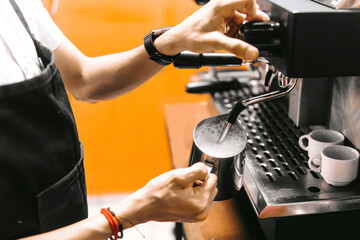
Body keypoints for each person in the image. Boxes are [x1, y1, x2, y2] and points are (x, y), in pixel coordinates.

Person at [0, 0, 269, 239]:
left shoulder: (16, 5)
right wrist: (128, 214)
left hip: (60, 211)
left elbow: (83, 79)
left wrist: (172, 41)